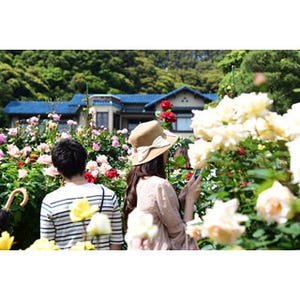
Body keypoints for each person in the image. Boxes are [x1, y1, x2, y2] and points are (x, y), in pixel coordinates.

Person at [123, 120, 201, 250]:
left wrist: (179, 200)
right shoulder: (159, 185)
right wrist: (190, 200)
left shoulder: (137, 181)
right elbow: (181, 239)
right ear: (161, 152)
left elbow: (155, 214)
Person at [40, 138, 124, 250]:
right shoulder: (108, 195)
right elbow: (116, 243)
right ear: (85, 163)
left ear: (58, 169)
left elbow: (46, 247)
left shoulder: (50, 201)